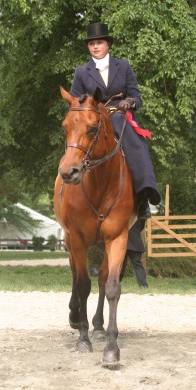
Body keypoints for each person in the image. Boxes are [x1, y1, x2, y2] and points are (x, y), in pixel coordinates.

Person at [70, 22, 161, 218]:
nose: (95, 46)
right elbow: (74, 103)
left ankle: (144, 194)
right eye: (92, 43)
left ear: (108, 45)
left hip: (120, 116)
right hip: (92, 119)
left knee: (136, 140)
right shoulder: (81, 72)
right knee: (73, 139)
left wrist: (129, 102)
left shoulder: (124, 66)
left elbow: (137, 97)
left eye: (99, 42)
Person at [119, 219, 149, 287]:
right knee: (138, 265)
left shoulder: (121, 214)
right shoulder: (139, 216)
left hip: (123, 244)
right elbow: (141, 227)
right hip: (136, 243)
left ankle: (115, 284)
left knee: (120, 266)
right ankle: (143, 285)